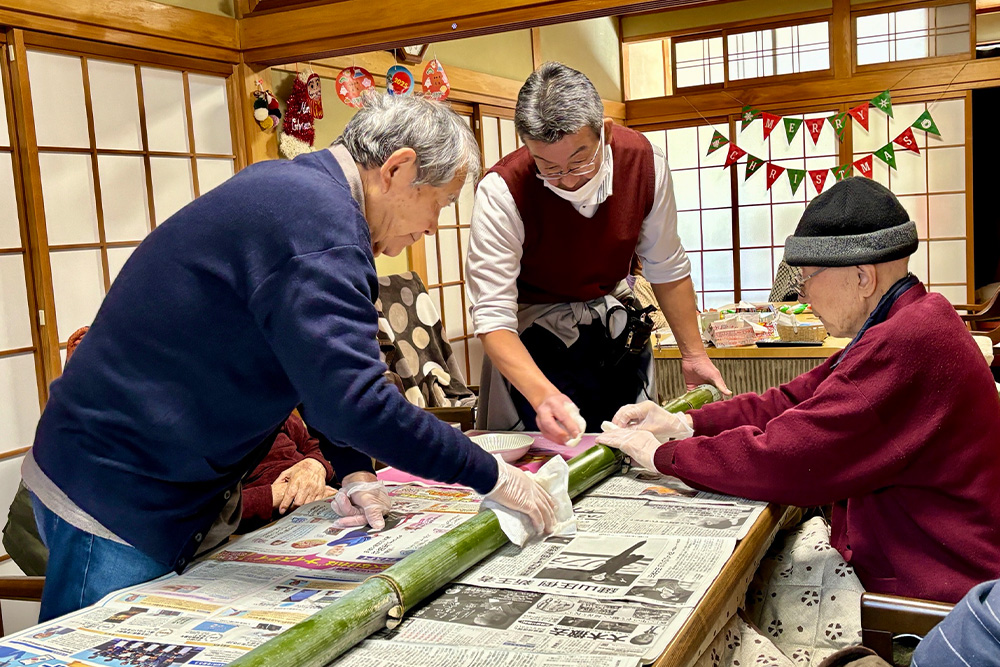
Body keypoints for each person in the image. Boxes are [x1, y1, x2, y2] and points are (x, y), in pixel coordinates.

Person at [23, 93, 557, 622]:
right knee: (95, 649)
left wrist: (354, 473)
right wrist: (492, 476)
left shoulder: (304, 196)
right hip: (116, 485)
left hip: (146, 473)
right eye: (440, 202)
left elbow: (313, 371)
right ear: (398, 169)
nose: (434, 225)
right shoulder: (321, 226)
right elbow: (358, 403)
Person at [598, 177, 1000, 603]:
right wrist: (684, 422)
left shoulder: (908, 342)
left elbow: (785, 457)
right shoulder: (910, 318)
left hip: (936, 591)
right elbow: (798, 398)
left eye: (808, 278)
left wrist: (662, 455)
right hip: (914, 556)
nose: (803, 294)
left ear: (862, 277)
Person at [467, 62, 728, 445]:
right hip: (532, 343)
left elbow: (667, 266)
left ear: (604, 131)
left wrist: (694, 355)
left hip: (614, 331)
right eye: (549, 167)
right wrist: (545, 396)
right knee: (542, 457)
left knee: (631, 448)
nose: (569, 180)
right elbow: (493, 317)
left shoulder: (644, 163)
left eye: (580, 161)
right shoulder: (503, 190)